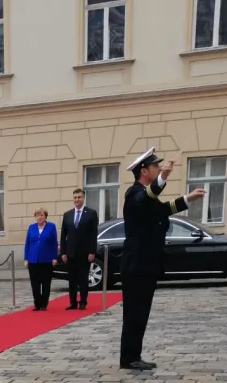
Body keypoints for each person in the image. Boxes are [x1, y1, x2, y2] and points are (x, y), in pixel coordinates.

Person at [119, 148, 205, 370]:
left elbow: (163, 209)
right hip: (136, 264)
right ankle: (129, 358)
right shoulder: (134, 193)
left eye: (159, 167)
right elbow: (148, 197)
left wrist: (189, 198)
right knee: (135, 313)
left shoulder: (147, 197)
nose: (159, 168)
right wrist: (164, 177)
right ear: (144, 171)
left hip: (146, 263)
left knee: (141, 312)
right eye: (155, 167)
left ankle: (133, 355)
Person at [60, 188, 99, 310]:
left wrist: (92, 251)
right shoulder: (67, 215)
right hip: (71, 252)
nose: (77, 199)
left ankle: (83, 301)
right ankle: (72, 302)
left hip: (85, 252)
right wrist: (63, 252)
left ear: (83, 198)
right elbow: (63, 235)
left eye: (79, 197)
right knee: (72, 278)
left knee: (83, 278)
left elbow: (93, 234)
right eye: (75, 197)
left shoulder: (91, 213)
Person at [24, 208, 58, 311]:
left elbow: (54, 243)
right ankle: (37, 303)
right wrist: (26, 259)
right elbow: (27, 244)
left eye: (42, 215)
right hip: (33, 260)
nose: (39, 217)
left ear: (45, 216)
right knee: (35, 283)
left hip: (47, 259)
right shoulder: (31, 227)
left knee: (46, 283)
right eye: (37, 215)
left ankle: (44, 303)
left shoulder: (51, 226)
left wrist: (54, 257)